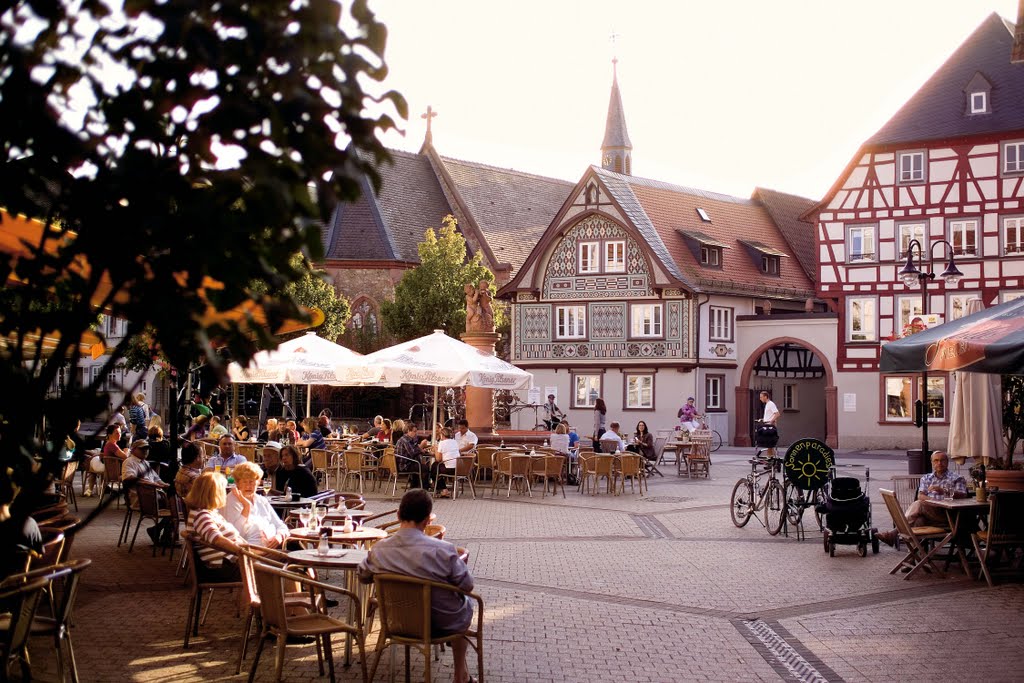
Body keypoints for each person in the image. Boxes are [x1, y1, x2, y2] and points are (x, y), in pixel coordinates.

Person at [358, 489, 475, 683]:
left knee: (459, 604)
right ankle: (460, 675)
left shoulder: (379, 550)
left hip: (397, 623)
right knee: (464, 603)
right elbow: (467, 585)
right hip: (441, 624)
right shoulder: (443, 550)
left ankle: (462, 675)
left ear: (397, 515)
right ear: (428, 520)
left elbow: (362, 575)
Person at [877, 451, 968, 546]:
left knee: (919, 504)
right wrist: (933, 502)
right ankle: (915, 557)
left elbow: (963, 495)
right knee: (918, 520)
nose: (939, 463)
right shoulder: (927, 478)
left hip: (948, 515)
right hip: (929, 513)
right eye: (936, 461)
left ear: (947, 462)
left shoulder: (957, 478)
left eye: (942, 460)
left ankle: (893, 533)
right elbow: (921, 495)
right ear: (932, 463)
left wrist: (944, 491)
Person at [185, 472, 248, 580]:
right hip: (223, 567)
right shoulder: (202, 516)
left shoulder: (207, 512)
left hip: (231, 561)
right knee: (274, 567)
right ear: (215, 493)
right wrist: (243, 551)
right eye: (223, 490)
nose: (225, 493)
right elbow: (217, 539)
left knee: (279, 558)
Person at [222, 462, 289, 549]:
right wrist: (246, 507)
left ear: (257, 483)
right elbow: (236, 534)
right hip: (250, 553)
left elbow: (281, 526)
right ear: (238, 483)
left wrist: (279, 536)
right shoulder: (231, 501)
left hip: (273, 547)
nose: (248, 486)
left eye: (251, 482)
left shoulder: (261, 500)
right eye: (244, 482)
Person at [122, 439, 173, 544]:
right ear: (134, 449)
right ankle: (163, 535)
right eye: (142, 449)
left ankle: (160, 532)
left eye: (147, 449)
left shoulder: (145, 463)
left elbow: (156, 479)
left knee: (178, 504)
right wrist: (151, 484)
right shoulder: (129, 462)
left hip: (153, 495)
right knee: (176, 506)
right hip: (141, 499)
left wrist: (165, 485)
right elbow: (129, 478)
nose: (145, 451)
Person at [395, 423, 430, 489]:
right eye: (414, 431)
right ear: (408, 431)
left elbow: (413, 449)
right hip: (404, 465)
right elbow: (412, 453)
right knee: (424, 468)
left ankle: (414, 487)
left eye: (416, 431)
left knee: (418, 464)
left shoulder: (406, 439)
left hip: (406, 463)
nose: (415, 433)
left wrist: (420, 449)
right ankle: (425, 488)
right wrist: (421, 447)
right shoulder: (405, 440)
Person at [431, 428, 460, 498]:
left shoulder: (442, 443)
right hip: (458, 468)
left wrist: (435, 449)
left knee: (434, 467)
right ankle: (441, 488)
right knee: (436, 466)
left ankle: (443, 489)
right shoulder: (454, 442)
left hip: (449, 469)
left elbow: (438, 459)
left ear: (442, 435)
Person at [758, 390, 780, 456]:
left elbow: (777, 414)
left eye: (761, 397)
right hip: (767, 426)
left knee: (770, 445)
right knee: (769, 445)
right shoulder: (767, 404)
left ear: (765, 397)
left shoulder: (771, 404)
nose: (760, 399)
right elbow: (770, 415)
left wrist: (771, 421)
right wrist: (763, 419)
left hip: (770, 427)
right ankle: (771, 460)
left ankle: (770, 460)